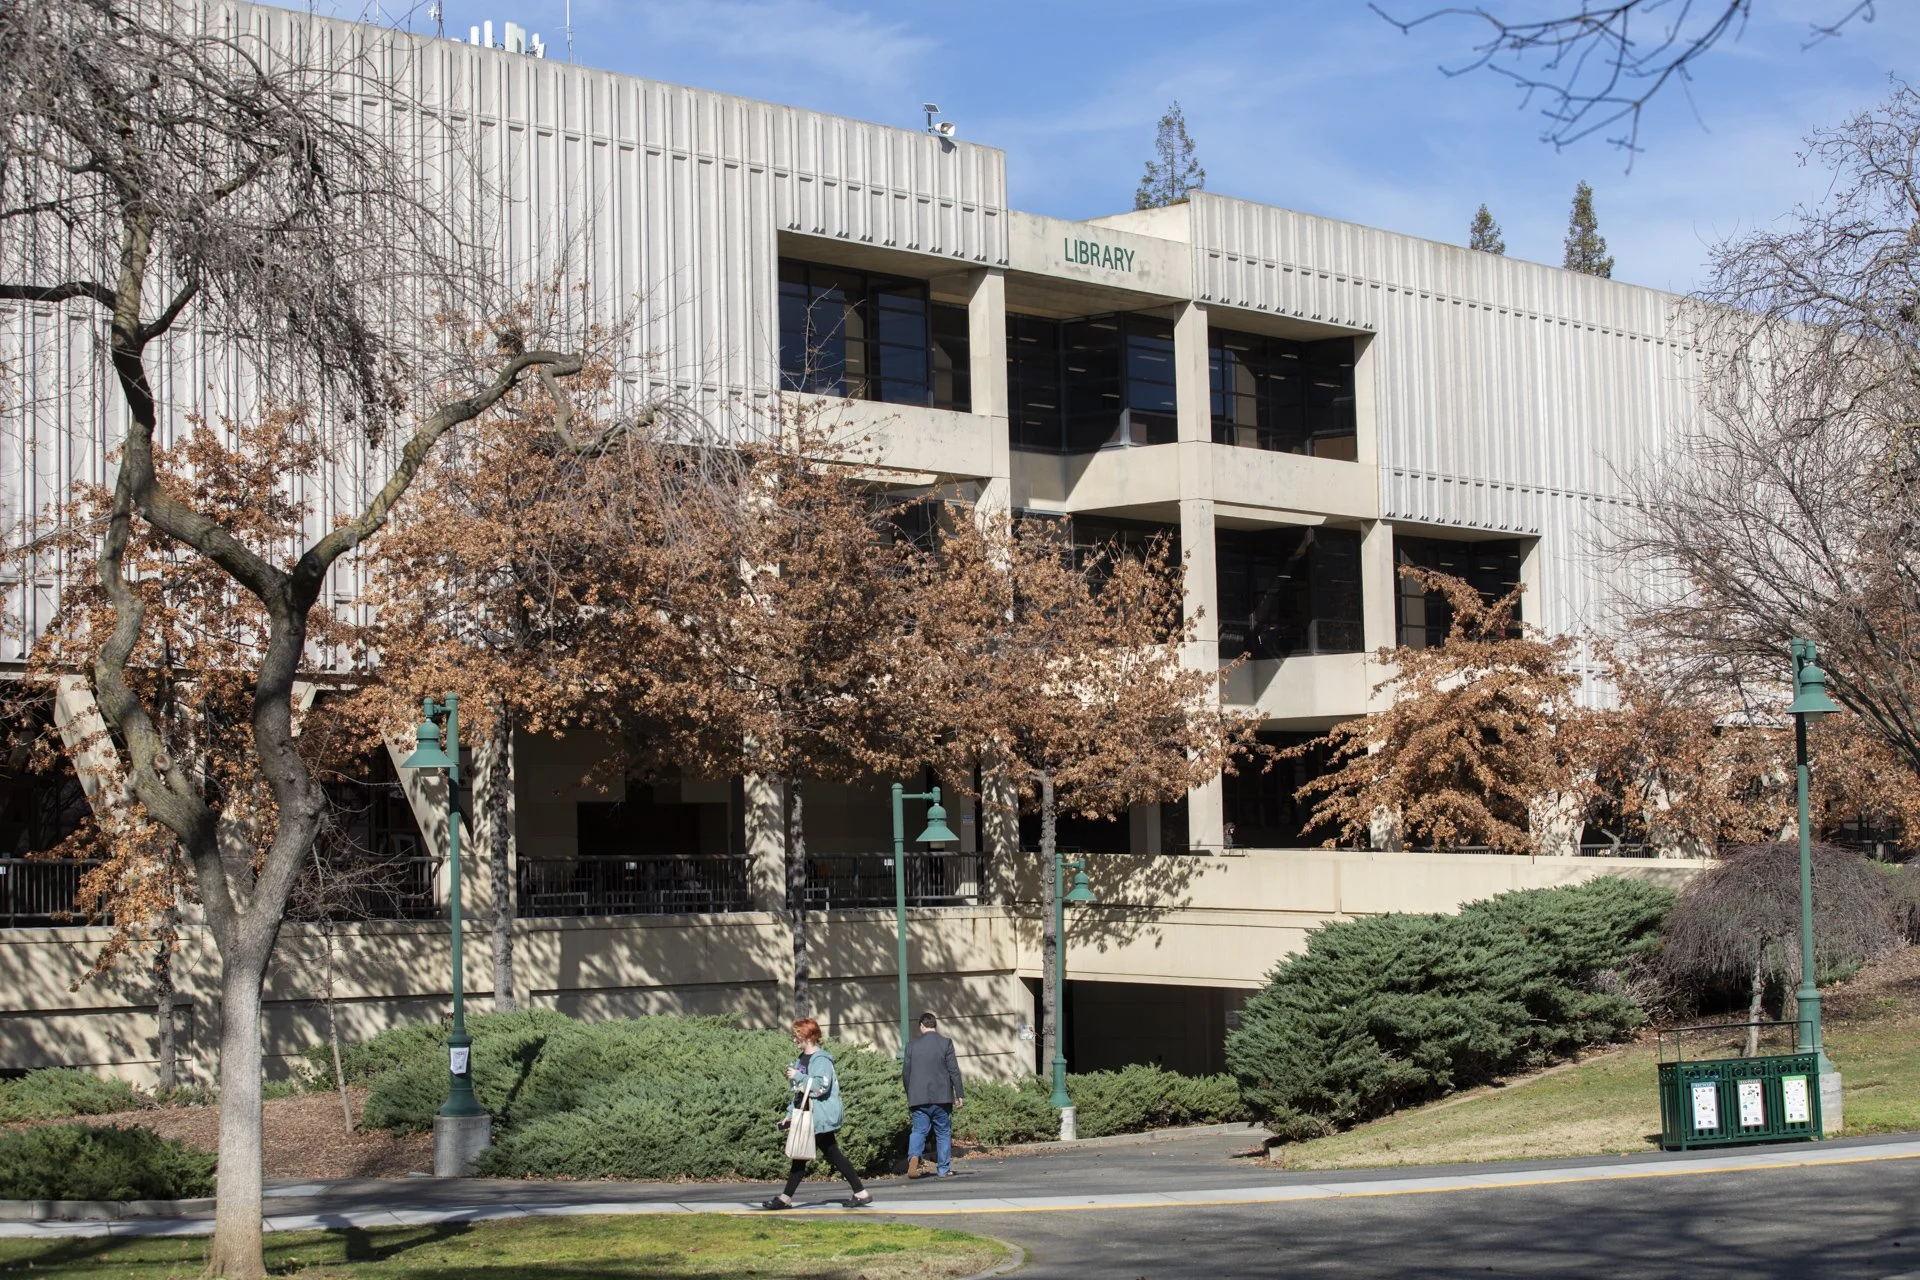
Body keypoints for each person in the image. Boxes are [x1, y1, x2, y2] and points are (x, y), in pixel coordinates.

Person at [761, 1017, 872, 1209]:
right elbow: (799, 1091)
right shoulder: (802, 1058)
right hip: (807, 1113)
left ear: (810, 1037)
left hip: (818, 1115)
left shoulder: (821, 1059)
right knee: (819, 1155)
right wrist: (790, 1113)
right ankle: (860, 1192)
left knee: (810, 1156)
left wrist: (798, 1076)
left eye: (797, 1036)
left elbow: (821, 1087)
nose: (794, 1040)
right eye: (794, 1036)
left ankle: (785, 1199)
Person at [901, 1011, 965, 1179]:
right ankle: (943, 1169)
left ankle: (914, 1155)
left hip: (918, 1098)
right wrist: (959, 1094)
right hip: (942, 1097)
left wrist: (910, 1094)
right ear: (935, 1026)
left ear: (922, 1026)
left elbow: (906, 1074)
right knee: (943, 1132)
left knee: (919, 1130)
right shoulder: (946, 1043)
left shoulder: (911, 1046)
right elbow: (954, 1071)